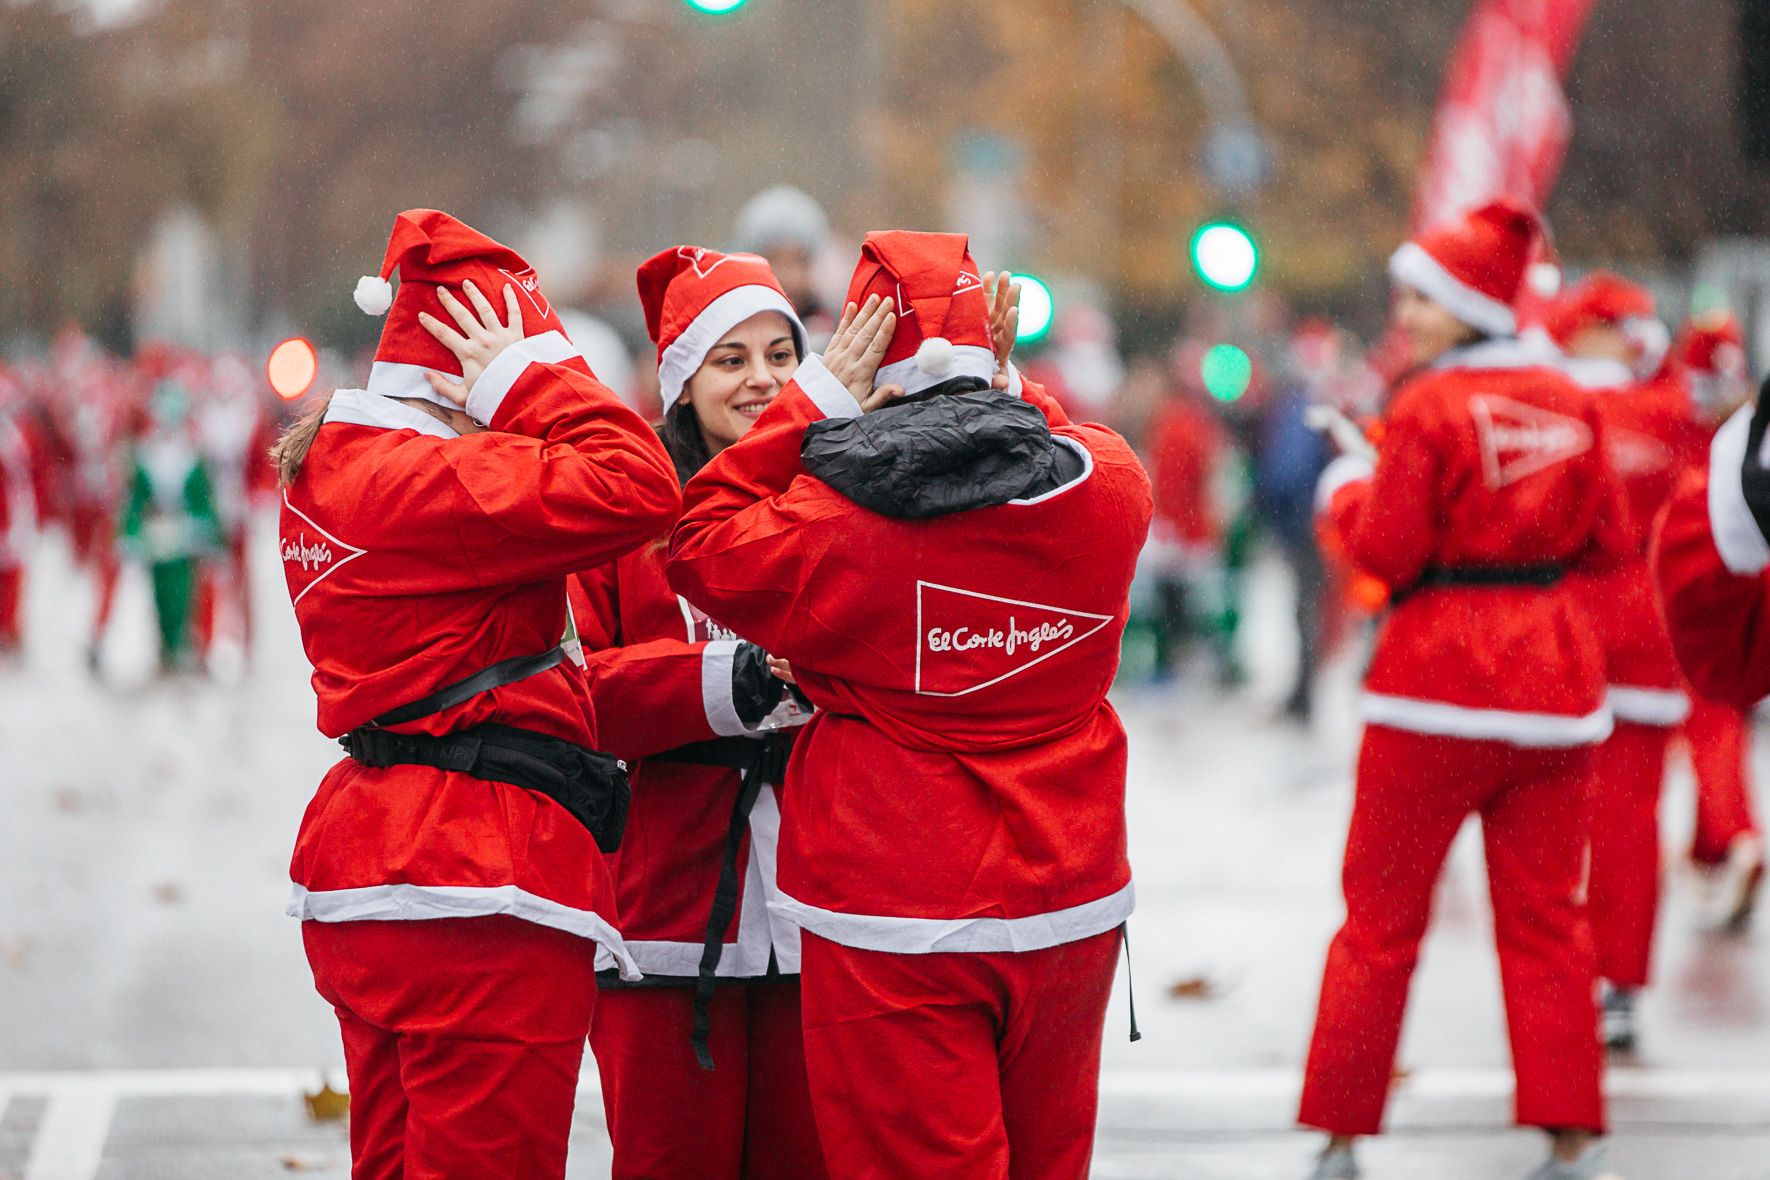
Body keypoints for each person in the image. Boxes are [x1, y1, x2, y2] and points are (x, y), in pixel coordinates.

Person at [667, 231, 1152, 1180]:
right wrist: (1004, 379)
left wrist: (810, 405)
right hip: (1072, 903)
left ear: (866, 370)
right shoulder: (1114, 487)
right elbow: (1048, 436)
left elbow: (697, 539)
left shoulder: (834, 531)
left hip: (895, 915)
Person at [274, 209, 680, 1180]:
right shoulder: (448, 478)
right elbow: (641, 483)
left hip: (373, 861)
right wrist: (530, 375)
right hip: (477, 877)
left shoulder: (329, 466)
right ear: (467, 363)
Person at [1301, 201, 1625, 1180]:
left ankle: (1344, 1133)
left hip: (1433, 688)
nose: (1407, 315)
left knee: (1380, 920)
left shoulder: (1430, 406)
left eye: (1420, 300)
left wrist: (1347, 486)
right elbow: (1606, 541)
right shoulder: (1573, 398)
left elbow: (1387, 551)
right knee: (1548, 920)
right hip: (1553, 685)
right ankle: (1571, 1132)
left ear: (1467, 306)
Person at [573, 245, 826, 1179]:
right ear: (682, 382)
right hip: (664, 917)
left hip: (816, 906)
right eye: (731, 360)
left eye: (782, 356)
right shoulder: (620, 514)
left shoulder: (835, 498)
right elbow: (578, 695)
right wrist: (733, 683)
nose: (762, 380)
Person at [1545, 273, 1706, 1053]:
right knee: (1630, 819)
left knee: (1549, 820)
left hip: (1565, 626)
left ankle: (1559, 968)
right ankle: (1621, 979)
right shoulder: (1673, 412)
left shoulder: (1557, 408)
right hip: (1650, 627)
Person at [1667, 312, 1764, 928]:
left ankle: (1735, 835)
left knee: (1709, 726)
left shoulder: (1672, 421)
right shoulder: (1747, 427)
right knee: (1722, 722)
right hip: (1746, 585)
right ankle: (1711, 850)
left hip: (1686, 588)